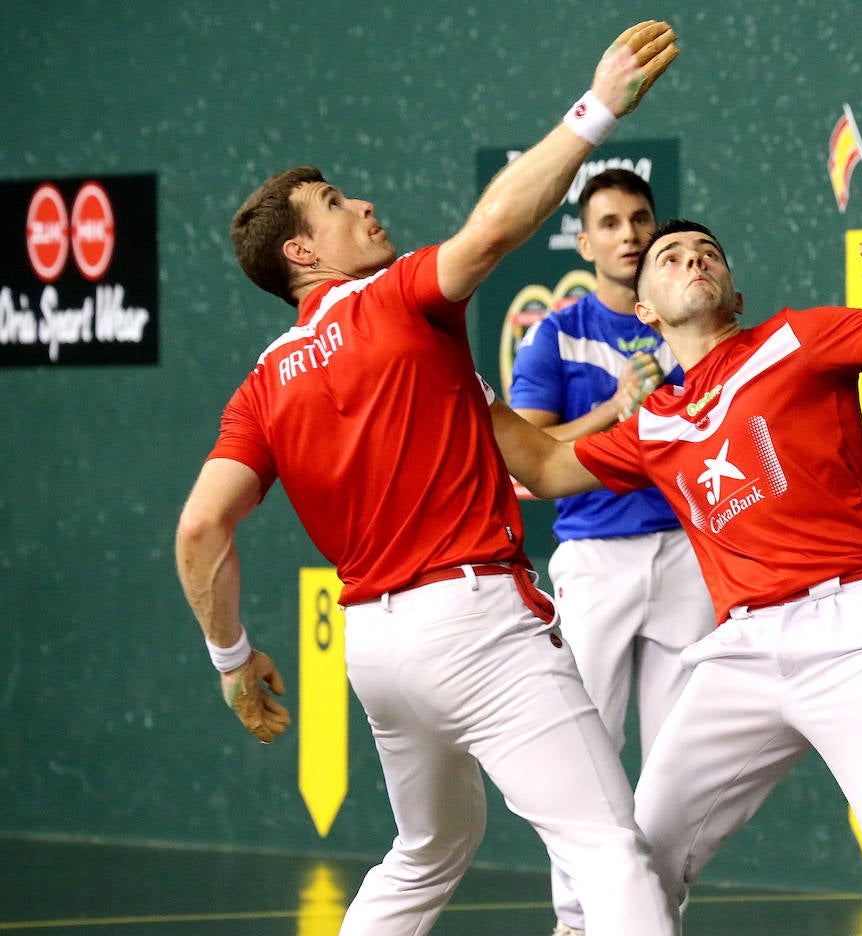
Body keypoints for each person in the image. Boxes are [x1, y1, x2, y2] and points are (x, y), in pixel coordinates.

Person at [173, 22, 681, 936]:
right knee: (609, 848)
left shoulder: (260, 388)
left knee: (430, 849)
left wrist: (232, 659)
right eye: (333, 203)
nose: (362, 204)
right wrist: (597, 108)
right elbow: (493, 229)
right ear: (301, 253)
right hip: (475, 627)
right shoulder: (396, 296)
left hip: (377, 650)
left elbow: (201, 530)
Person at [490, 221, 862, 935]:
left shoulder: (794, 341)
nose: (692, 261)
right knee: (646, 853)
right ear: (644, 311)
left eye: (707, 254)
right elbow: (546, 469)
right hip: (741, 649)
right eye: (669, 258)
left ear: (734, 291)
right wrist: (469, 387)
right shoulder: (656, 424)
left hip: (850, 628)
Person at [507, 169, 717, 936]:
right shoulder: (557, 334)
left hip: (687, 558)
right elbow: (527, 453)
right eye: (611, 222)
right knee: (584, 757)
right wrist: (614, 408)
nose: (629, 234)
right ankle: (575, 922)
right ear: (586, 240)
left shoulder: (691, 325)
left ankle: (657, 920)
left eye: (640, 219)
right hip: (595, 557)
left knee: (677, 766)